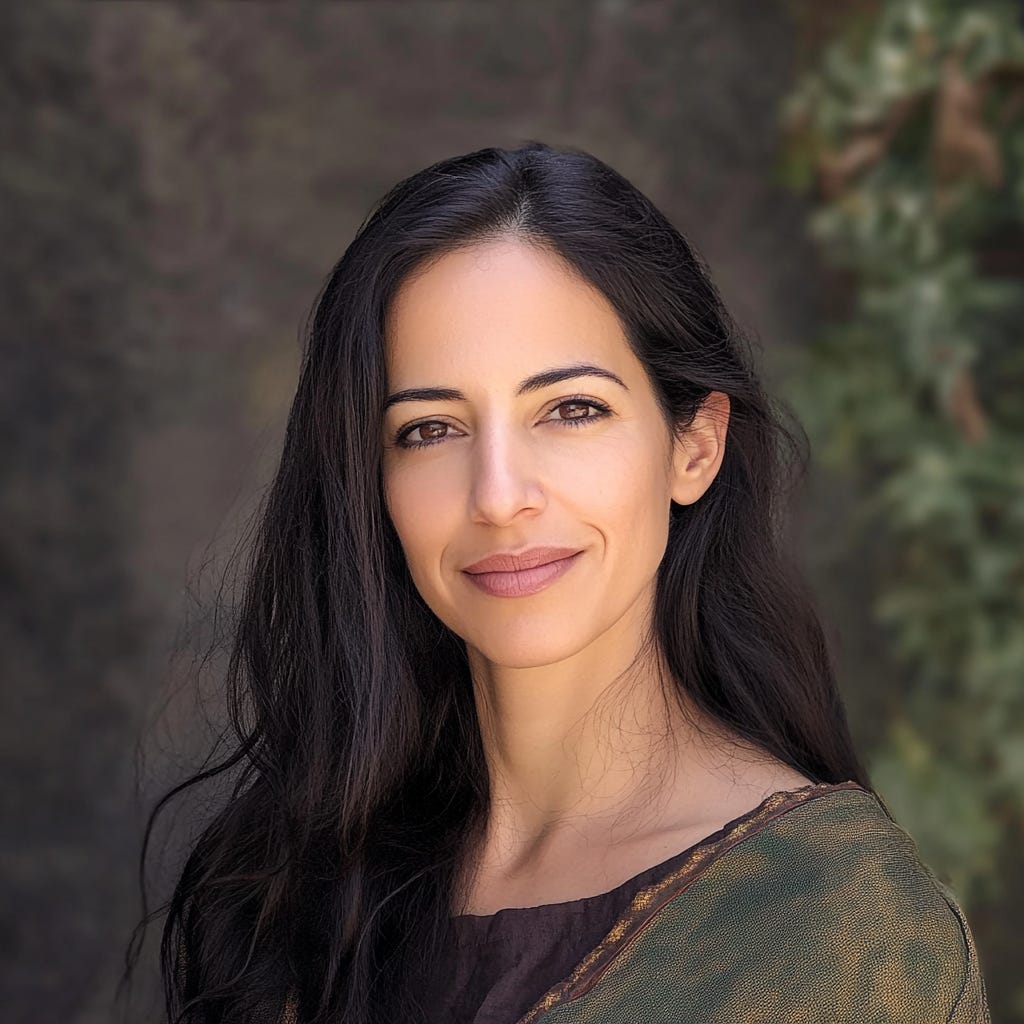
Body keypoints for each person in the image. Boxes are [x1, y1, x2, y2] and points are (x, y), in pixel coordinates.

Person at [131, 142, 991, 1023]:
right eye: (430, 429)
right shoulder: (286, 890)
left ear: (694, 447)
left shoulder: (840, 929)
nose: (499, 496)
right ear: (371, 481)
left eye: (572, 410)